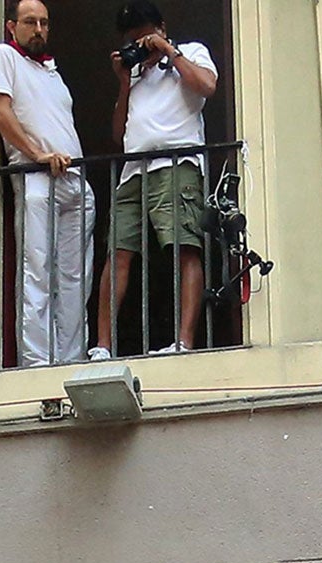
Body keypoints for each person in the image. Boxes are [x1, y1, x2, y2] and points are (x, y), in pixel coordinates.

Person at [90, 1, 217, 359]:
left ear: (161, 28)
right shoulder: (135, 74)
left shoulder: (190, 53)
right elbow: (119, 134)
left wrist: (167, 52)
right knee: (118, 254)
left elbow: (207, 86)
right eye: (133, 41)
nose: (140, 46)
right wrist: (125, 82)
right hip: (133, 172)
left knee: (183, 247)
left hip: (176, 165)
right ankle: (102, 346)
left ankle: (184, 342)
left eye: (144, 38)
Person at [0, 0, 94, 366]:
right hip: (37, 176)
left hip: (74, 181)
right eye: (30, 22)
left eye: (44, 23)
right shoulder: (4, 56)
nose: (39, 29)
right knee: (37, 272)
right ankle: (37, 365)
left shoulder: (52, 72)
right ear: (11, 26)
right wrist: (36, 154)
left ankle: (70, 359)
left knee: (74, 279)